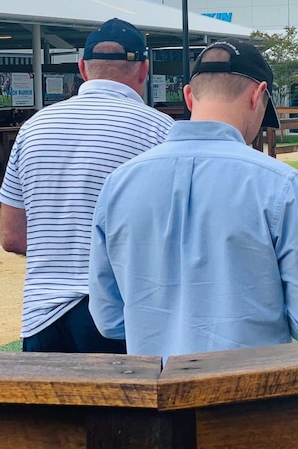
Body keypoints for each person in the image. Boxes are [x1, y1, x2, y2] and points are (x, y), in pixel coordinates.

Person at [88, 38, 298, 360]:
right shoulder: (279, 183)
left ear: (188, 96)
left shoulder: (119, 183)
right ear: (258, 94)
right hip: (247, 396)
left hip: (158, 393)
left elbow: (109, 319)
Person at [0, 18, 173, 353]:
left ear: (82, 68)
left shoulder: (34, 128)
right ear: (144, 70)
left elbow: (12, 236)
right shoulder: (159, 130)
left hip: (42, 315)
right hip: (122, 313)